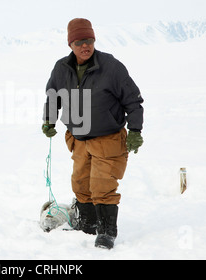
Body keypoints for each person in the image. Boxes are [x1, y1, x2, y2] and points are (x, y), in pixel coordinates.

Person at [42, 18, 144, 249]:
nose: (85, 46)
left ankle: (107, 232)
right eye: (79, 42)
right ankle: (87, 224)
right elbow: (52, 97)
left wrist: (135, 130)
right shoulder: (61, 68)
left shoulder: (111, 66)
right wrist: (48, 120)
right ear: (70, 45)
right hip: (78, 139)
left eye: (88, 40)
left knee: (102, 186)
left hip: (108, 139)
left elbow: (133, 100)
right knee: (80, 184)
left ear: (94, 40)